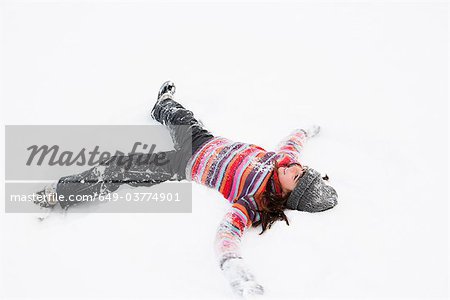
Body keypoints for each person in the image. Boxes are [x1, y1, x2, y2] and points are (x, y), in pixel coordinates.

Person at [34, 81, 338, 297]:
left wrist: (233, 266)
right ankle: (162, 105)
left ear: (289, 195)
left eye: (298, 177)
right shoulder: (284, 161)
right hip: (203, 140)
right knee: (180, 117)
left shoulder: (255, 200)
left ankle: (61, 193)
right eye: (304, 170)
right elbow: (293, 142)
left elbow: (227, 233)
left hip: (181, 163)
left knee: (119, 167)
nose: (297, 168)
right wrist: (307, 129)